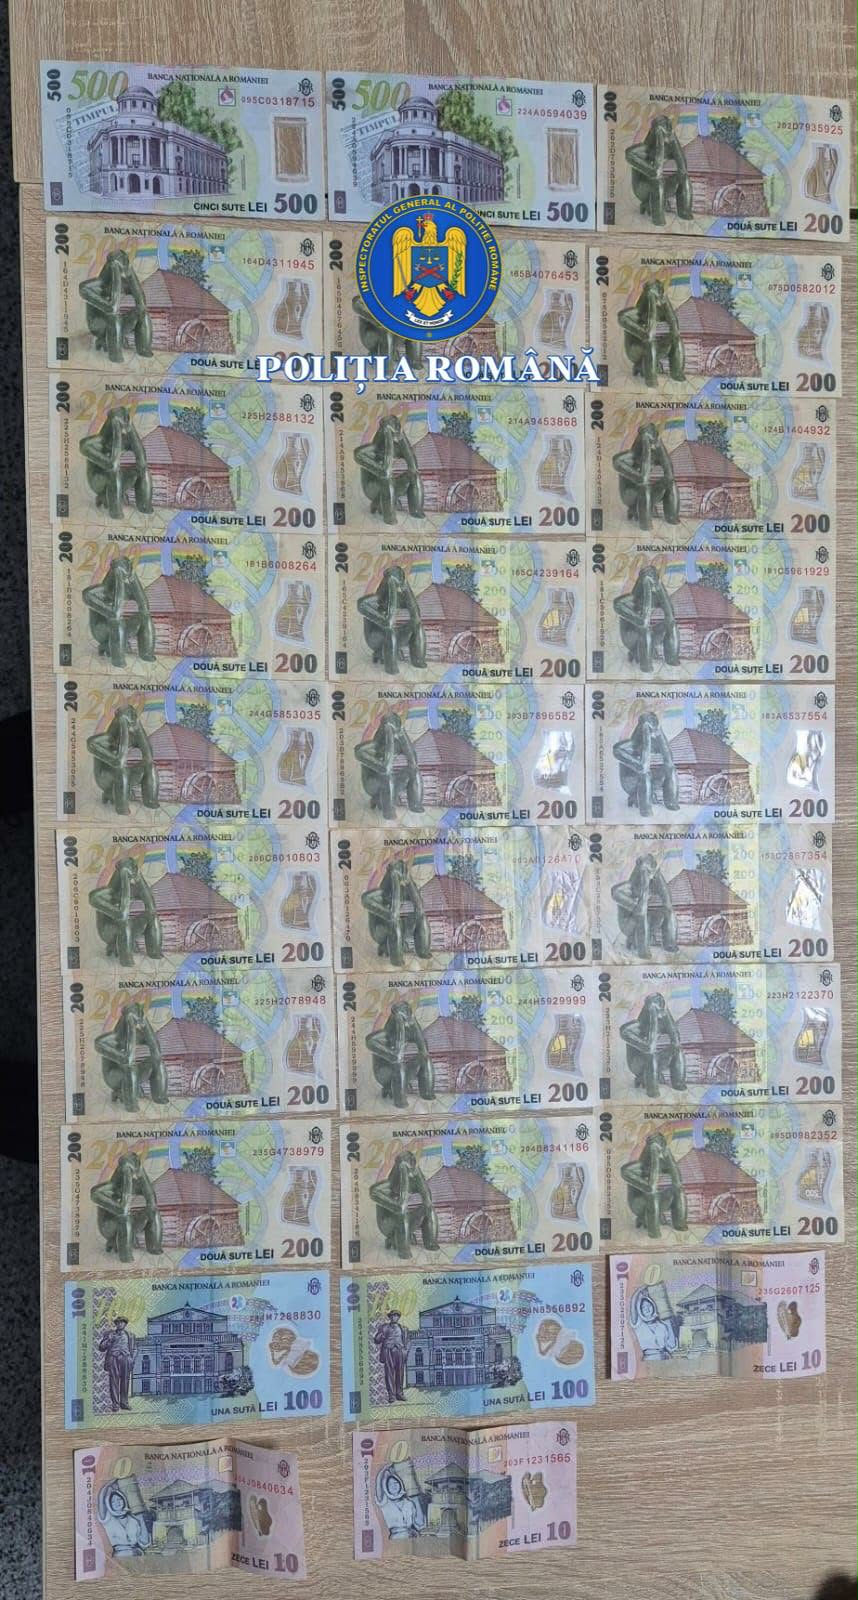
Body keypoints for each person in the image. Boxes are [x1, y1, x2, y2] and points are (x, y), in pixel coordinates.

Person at [98, 1315, 137, 1410]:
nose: (120, 1324)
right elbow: (101, 1348)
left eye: (122, 1322)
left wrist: (132, 1359)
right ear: (116, 1324)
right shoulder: (109, 1334)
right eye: (118, 1323)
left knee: (125, 1381)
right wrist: (108, 1340)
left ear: (125, 1324)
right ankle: (115, 1404)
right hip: (113, 1359)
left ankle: (124, 1403)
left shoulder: (130, 1335)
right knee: (114, 1381)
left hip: (125, 1359)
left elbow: (135, 1349)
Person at [373, 1309, 409, 1402]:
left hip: (399, 1351)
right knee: (389, 1373)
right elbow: (376, 1340)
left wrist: (405, 1351)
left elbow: (407, 1342)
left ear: (398, 1317)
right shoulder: (384, 1327)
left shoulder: (404, 1328)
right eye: (392, 1316)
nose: (394, 1317)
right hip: (388, 1351)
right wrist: (381, 1336)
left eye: (396, 1316)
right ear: (389, 1317)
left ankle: (399, 1394)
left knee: (400, 1373)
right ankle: (391, 1395)